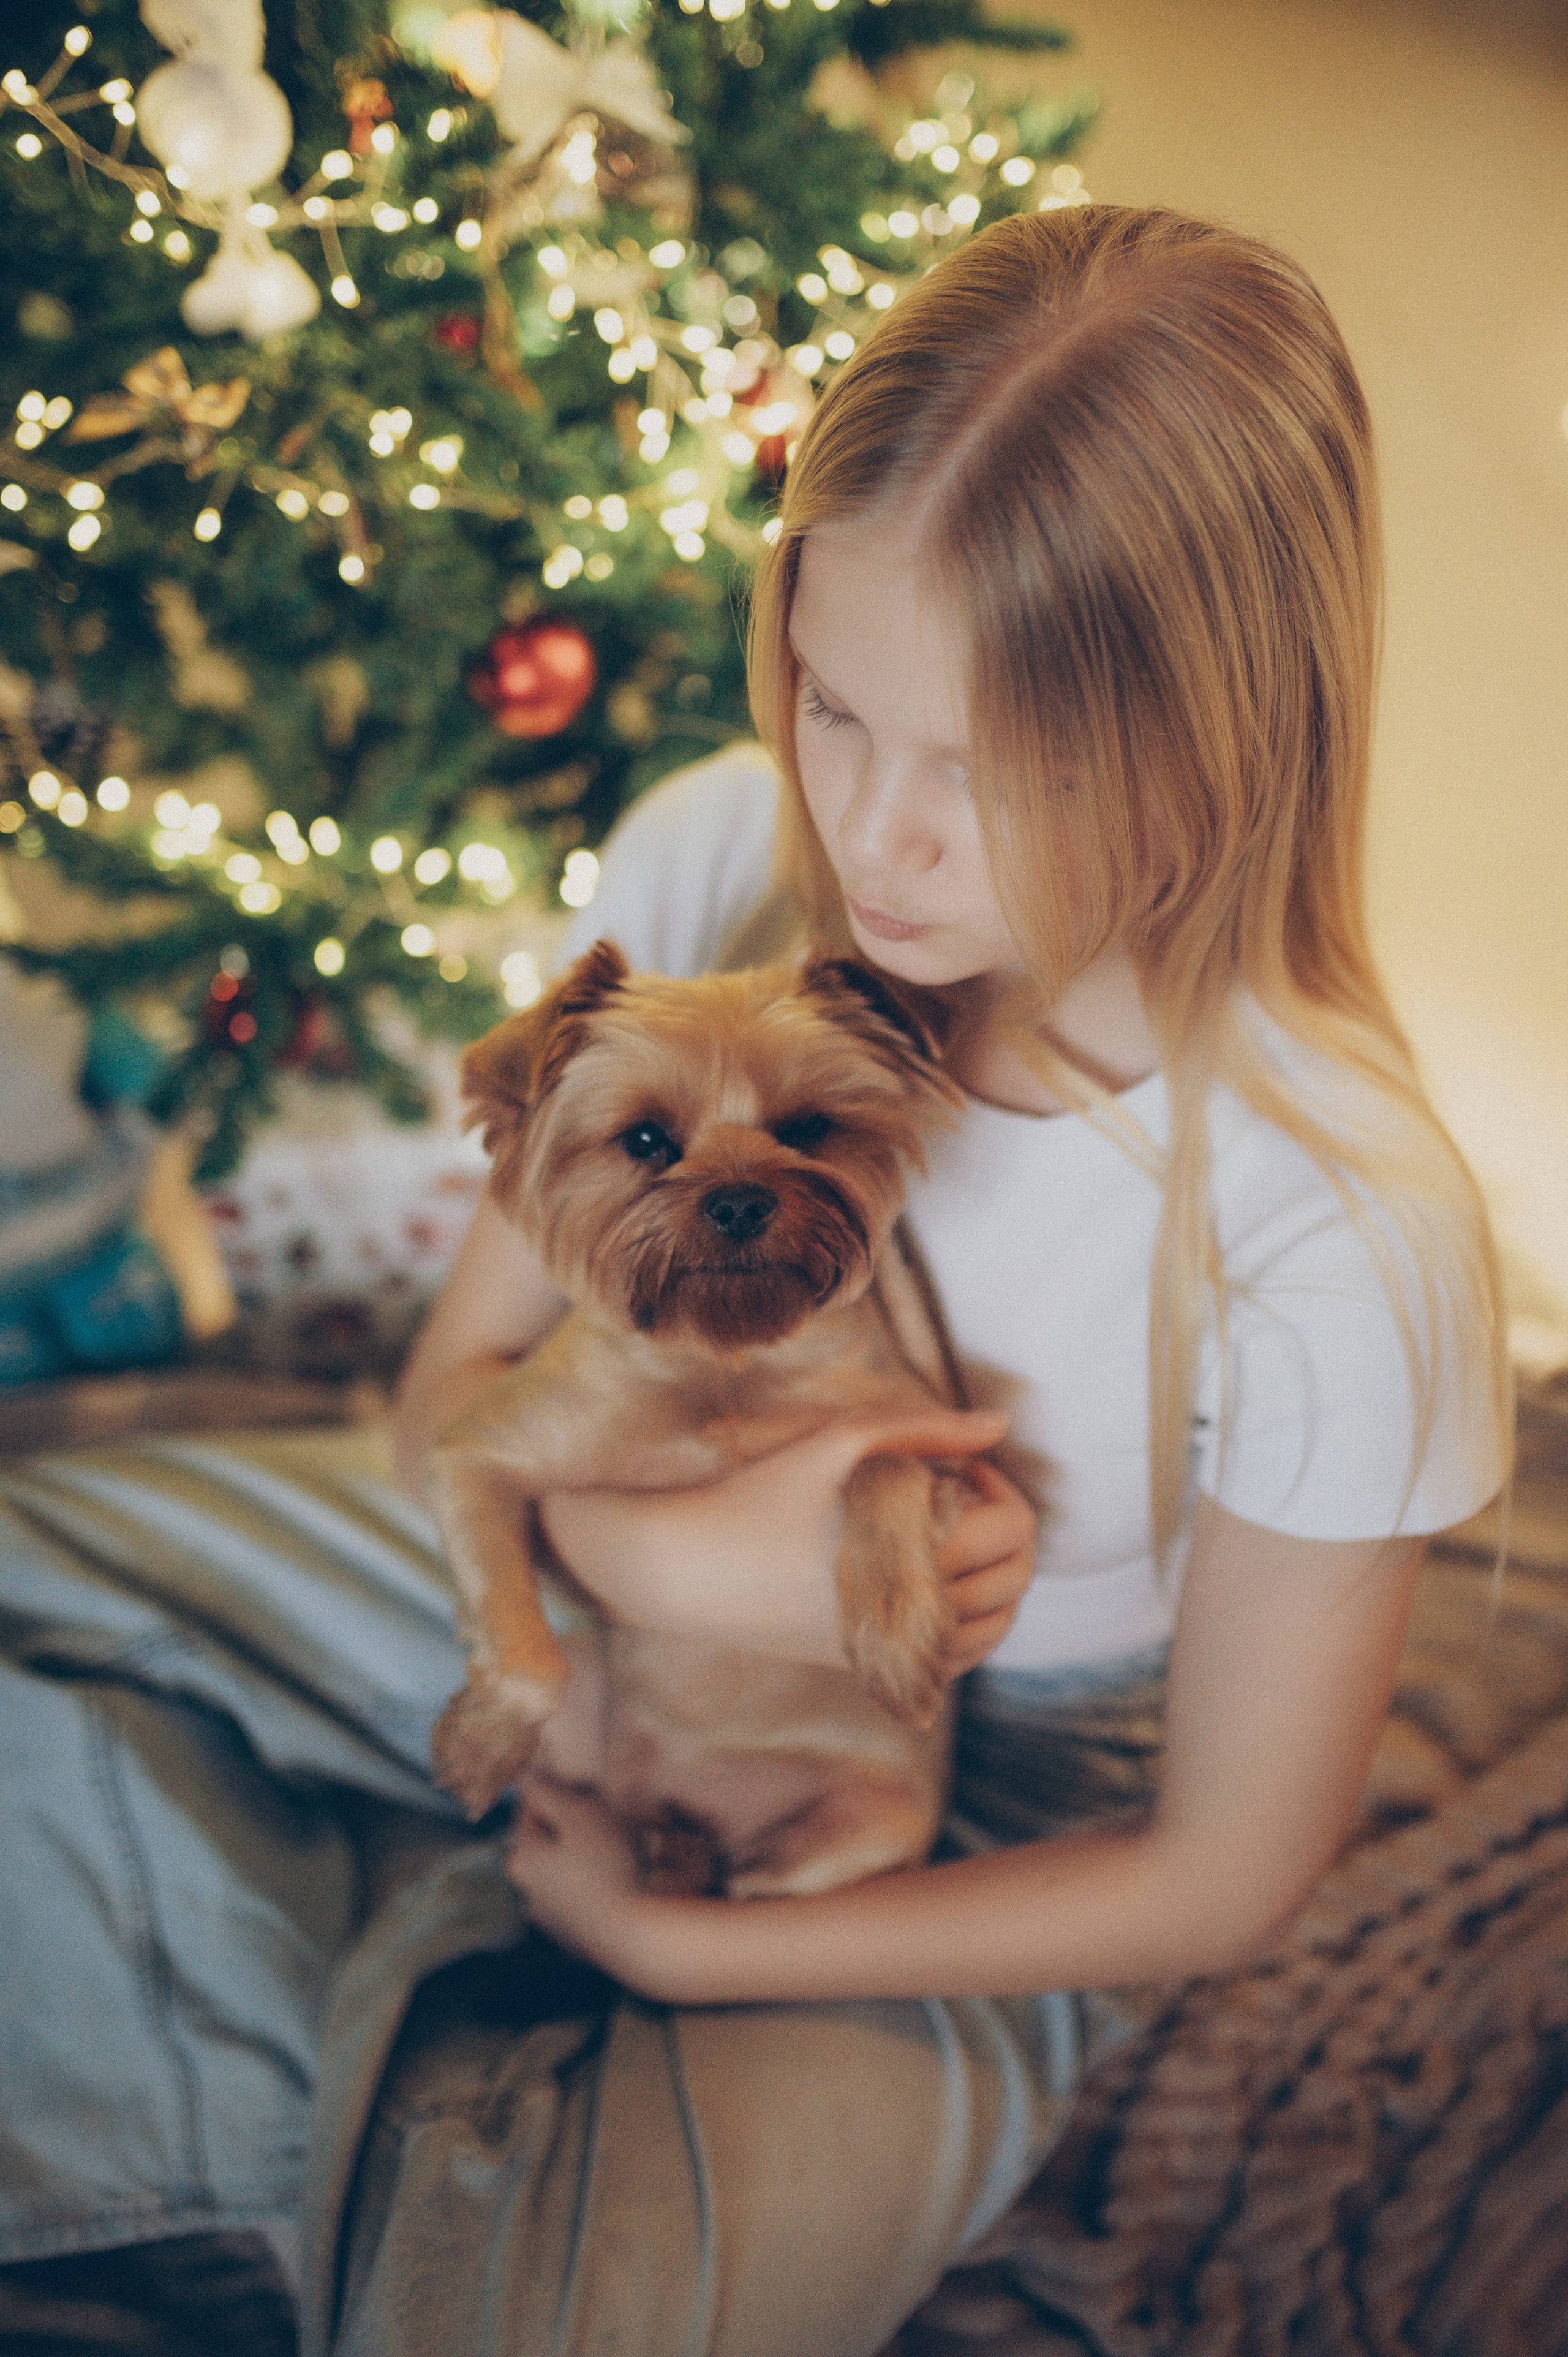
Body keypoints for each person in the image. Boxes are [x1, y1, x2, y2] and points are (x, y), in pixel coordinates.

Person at [0, 205, 1509, 2357]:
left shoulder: (1339, 1227)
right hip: (575, 1576)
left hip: (975, 1813)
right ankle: (360, 2041)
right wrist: (696, 1575)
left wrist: (688, 1953)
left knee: (541, 2312)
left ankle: (382, 2055)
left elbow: (1225, 1872)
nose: (875, 838)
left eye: (986, 771)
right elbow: (453, 1408)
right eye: (834, 703)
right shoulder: (717, 855)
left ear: (1222, 738)